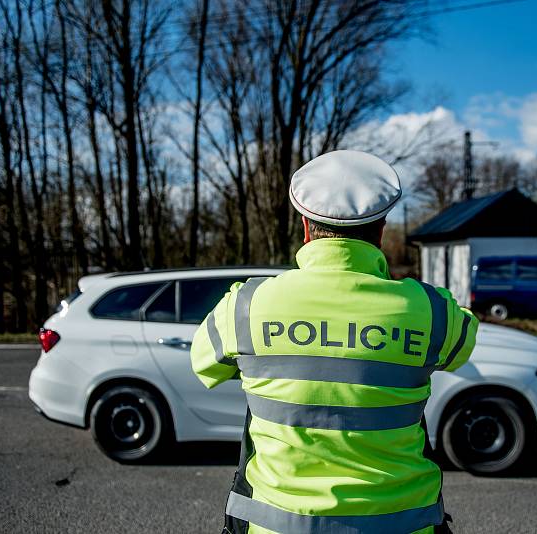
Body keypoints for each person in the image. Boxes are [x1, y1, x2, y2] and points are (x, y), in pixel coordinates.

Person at [191, 150, 479, 534]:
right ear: (380, 231)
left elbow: (203, 364)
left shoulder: (246, 305)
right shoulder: (430, 310)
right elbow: (465, 341)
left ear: (306, 229)